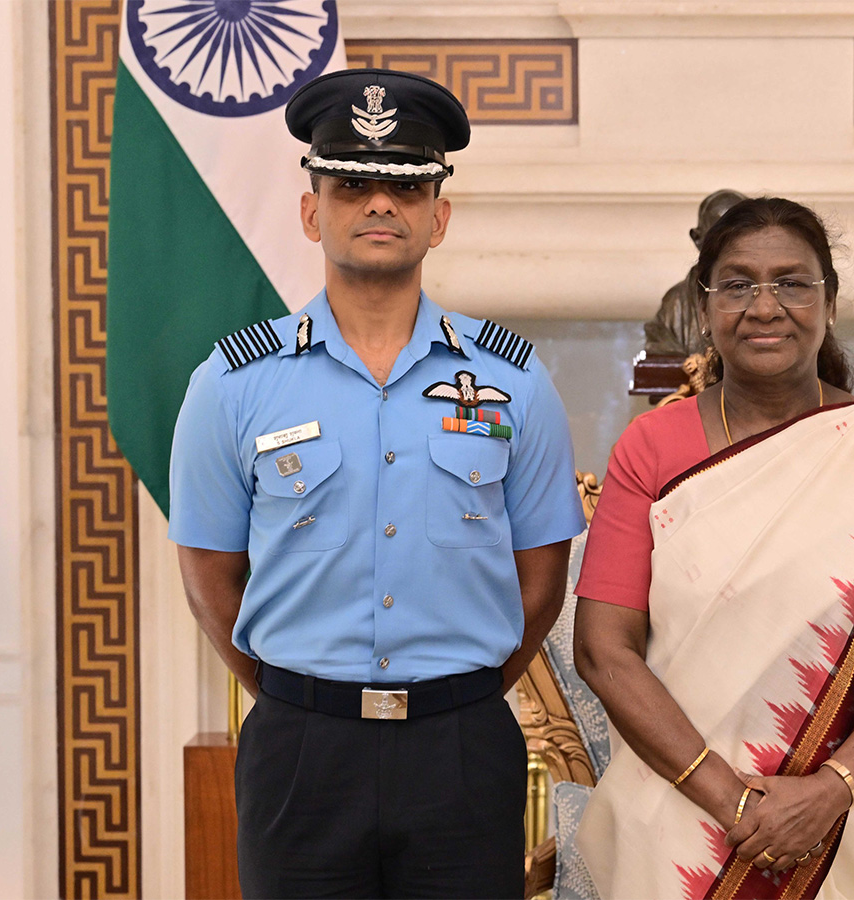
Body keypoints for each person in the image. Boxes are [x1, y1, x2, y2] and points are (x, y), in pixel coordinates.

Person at [168, 68, 585, 899]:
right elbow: (211, 575)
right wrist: (295, 693)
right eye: (352, 185)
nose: (379, 206)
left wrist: (463, 696)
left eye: (404, 188)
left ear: (440, 216)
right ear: (310, 210)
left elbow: (542, 575)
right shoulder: (232, 382)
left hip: (462, 748)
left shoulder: (514, 380)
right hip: (301, 749)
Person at [572, 197, 854, 899]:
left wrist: (830, 789)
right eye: (738, 284)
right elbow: (604, 650)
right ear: (706, 304)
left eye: (792, 283)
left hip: (851, 823)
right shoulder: (652, 448)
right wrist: (732, 800)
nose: (765, 306)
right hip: (680, 821)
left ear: (830, 303)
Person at [643, 189, 747, 357]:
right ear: (697, 238)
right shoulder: (676, 303)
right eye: (719, 237)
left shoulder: (773, 299)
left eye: (741, 235)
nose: (732, 247)